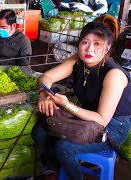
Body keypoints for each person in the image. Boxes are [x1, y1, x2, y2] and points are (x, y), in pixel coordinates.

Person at [35, 21, 131, 180]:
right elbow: (47, 77)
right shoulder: (78, 61)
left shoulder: (114, 75)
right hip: (87, 116)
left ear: (107, 48)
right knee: (41, 131)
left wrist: (67, 105)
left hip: (113, 126)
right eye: (85, 42)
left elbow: (101, 120)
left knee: (65, 148)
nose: (89, 49)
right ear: (79, 43)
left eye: (97, 44)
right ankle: (54, 169)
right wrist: (44, 93)